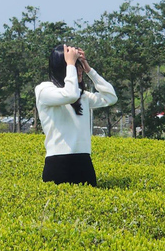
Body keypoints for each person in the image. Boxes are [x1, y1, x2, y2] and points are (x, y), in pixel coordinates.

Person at [35, 44, 117, 186]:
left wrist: (89, 69)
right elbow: (70, 95)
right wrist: (71, 65)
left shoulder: (82, 96)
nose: (78, 70)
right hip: (58, 163)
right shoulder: (44, 90)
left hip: (84, 162)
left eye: (79, 66)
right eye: (74, 65)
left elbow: (110, 97)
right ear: (62, 67)